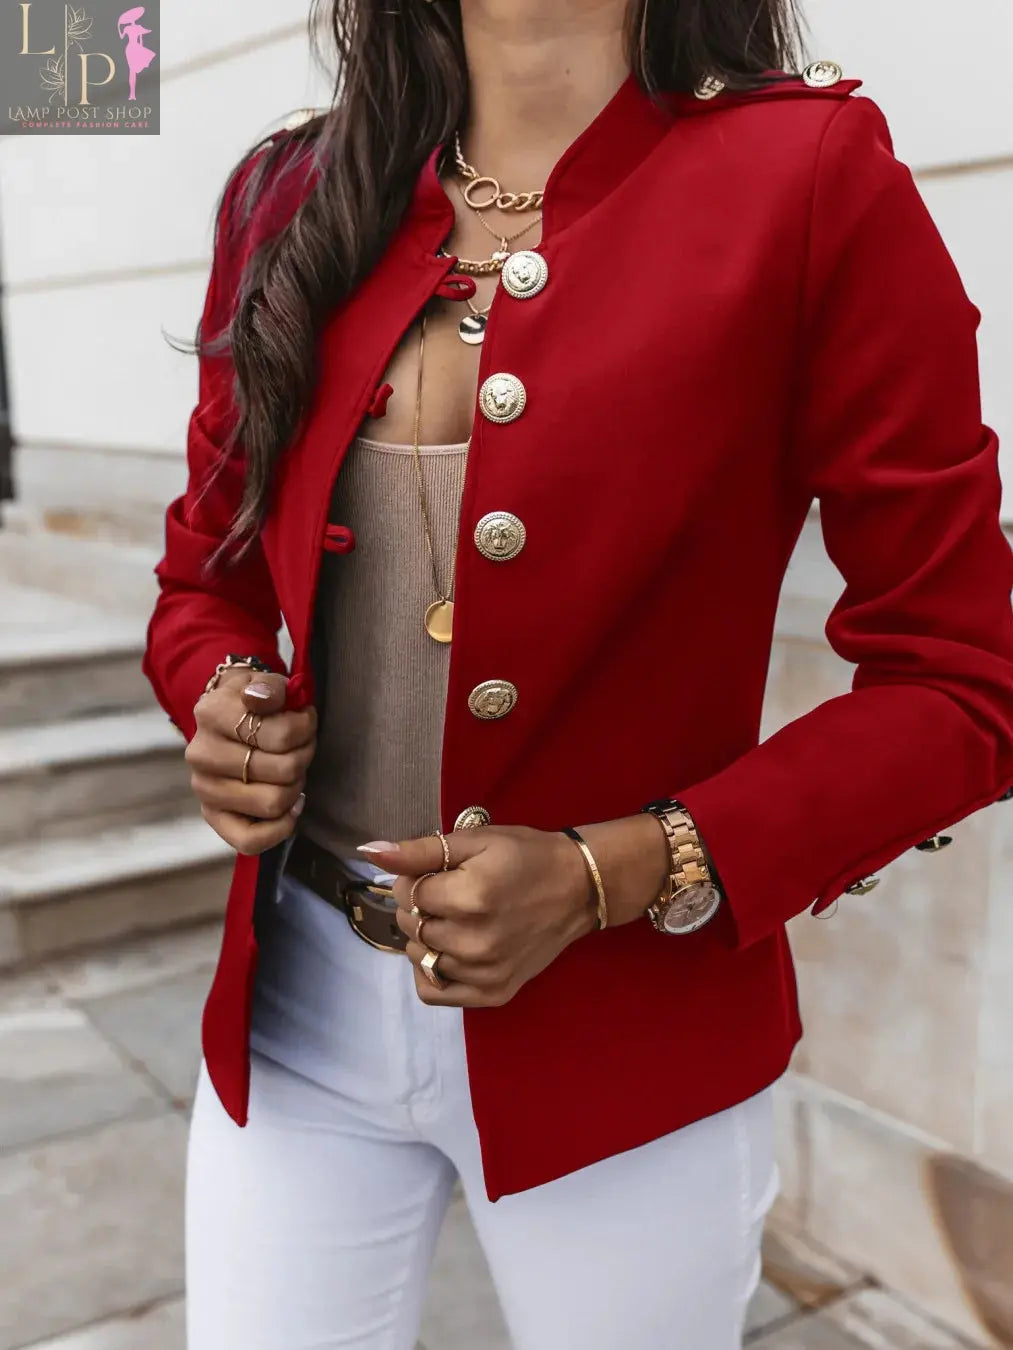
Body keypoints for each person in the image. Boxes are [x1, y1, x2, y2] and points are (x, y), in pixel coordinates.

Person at [142, 1, 1013, 1346]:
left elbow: (961, 680)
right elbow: (208, 578)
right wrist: (221, 696)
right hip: (296, 1012)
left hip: (632, 1050)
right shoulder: (288, 194)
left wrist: (625, 864)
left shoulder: (808, 178)